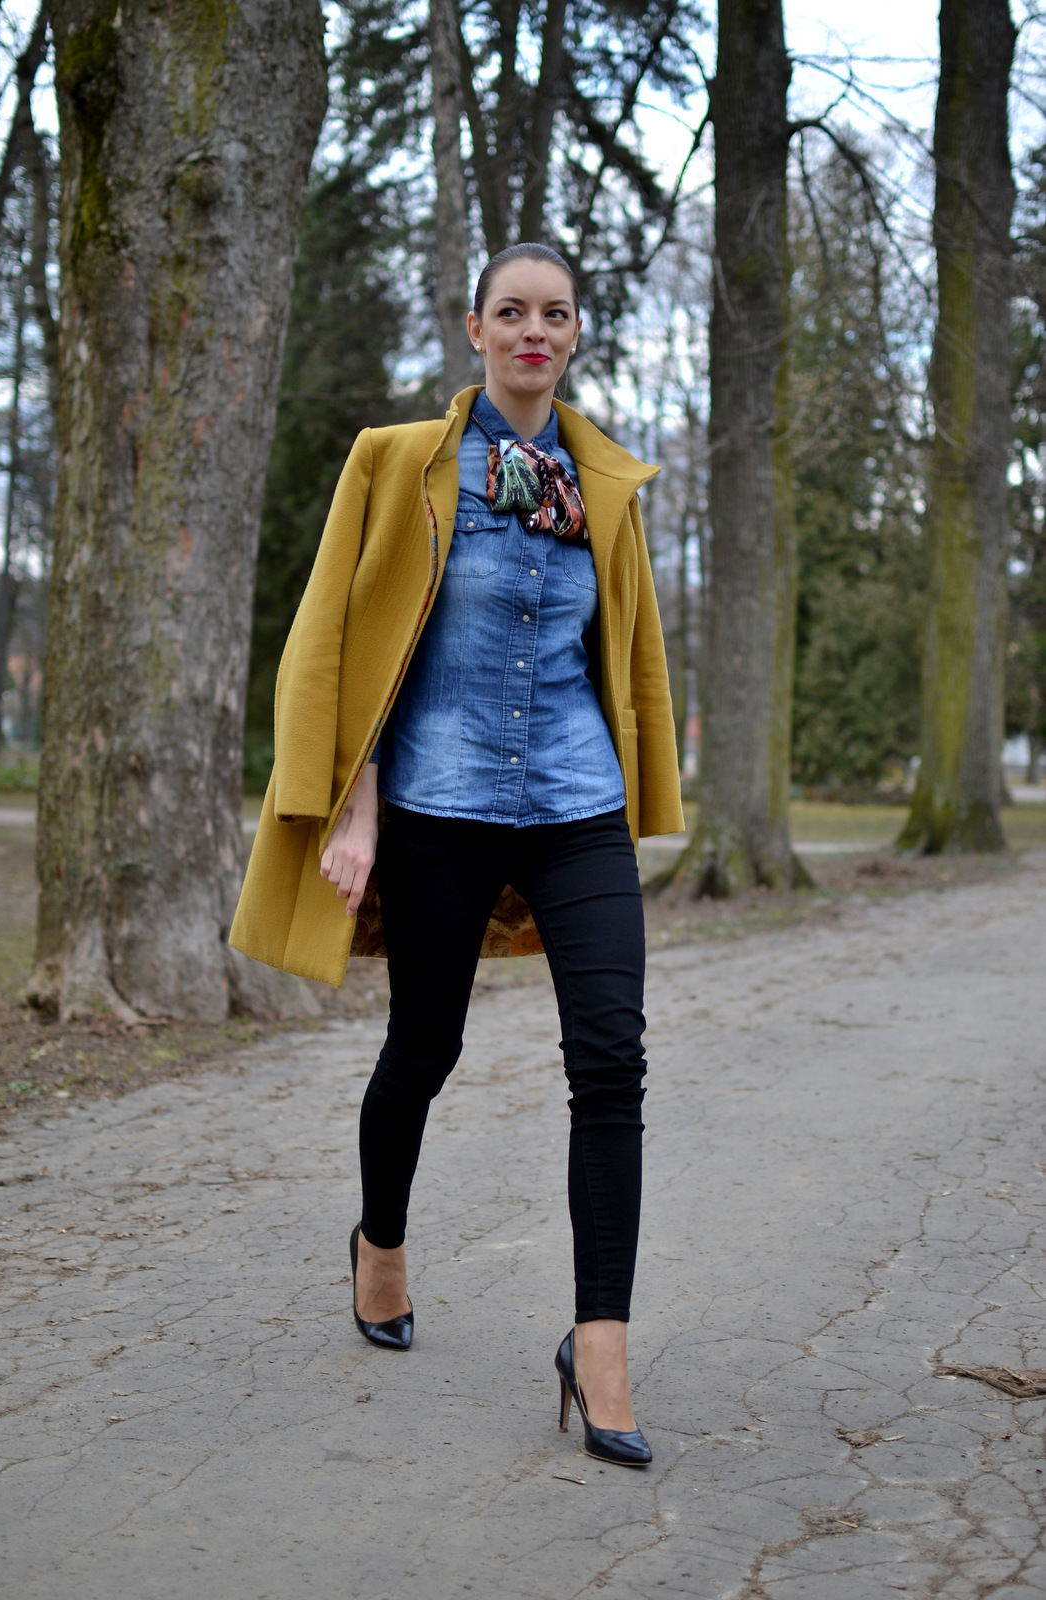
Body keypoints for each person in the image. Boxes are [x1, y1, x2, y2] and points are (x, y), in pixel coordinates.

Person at [230, 243, 684, 1468]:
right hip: (440, 801)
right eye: (511, 312)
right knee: (422, 1048)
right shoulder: (399, 463)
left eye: (555, 313)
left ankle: (599, 1347)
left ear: (575, 335)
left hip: (578, 802)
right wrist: (355, 807)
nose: (534, 330)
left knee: (612, 1063)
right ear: (475, 329)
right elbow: (339, 638)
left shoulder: (603, 483)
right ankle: (378, 1243)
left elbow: (624, 646)